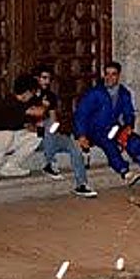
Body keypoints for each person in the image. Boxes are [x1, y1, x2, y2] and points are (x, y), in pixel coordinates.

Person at [73, 61, 140, 186]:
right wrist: (81, 135)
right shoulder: (95, 93)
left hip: (112, 127)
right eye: (107, 74)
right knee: (108, 143)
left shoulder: (123, 93)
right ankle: (125, 172)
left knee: (135, 141)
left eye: (113, 74)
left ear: (118, 76)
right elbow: (81, 114)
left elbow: (129, 113)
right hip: (95, 130)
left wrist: (128, 127)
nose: (109, 77)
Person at [33, 63, 97, 198]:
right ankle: (49, 162)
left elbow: (54, 120)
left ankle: (81, 184)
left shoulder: (50, 96)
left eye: (49, 78)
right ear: (36, 78)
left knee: (74, 144)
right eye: (44, 78)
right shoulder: (28, 95)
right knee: (46, 126)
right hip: (34, 139)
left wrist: (52, 127)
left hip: (49, 136)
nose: (47, 81)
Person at [0, 74, 45, 181]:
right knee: (6, 134)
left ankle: (10, 166)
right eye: (32, 93)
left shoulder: (25, 104)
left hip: (7, 142)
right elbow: (11, 122)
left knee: (37, 136)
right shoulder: (6, 103)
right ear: (27, 92)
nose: (33, 96)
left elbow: (28, 123)